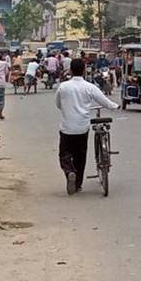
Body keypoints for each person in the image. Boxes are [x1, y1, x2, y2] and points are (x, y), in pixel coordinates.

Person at [56, 57, 119, 195]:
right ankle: (77, 184)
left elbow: (58, 104)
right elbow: (105, 101)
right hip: (82, 128)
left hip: (67, 128)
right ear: (84, 71)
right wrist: (115, 106)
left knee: (64, 154)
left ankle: (69, 172)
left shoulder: (63, 87)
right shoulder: (89, 87)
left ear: (71, 71)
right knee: (80, 156)